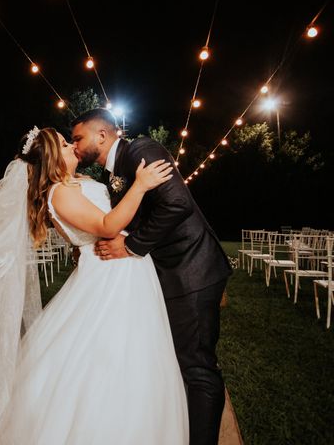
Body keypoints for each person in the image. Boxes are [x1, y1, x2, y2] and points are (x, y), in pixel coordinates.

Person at [0, 126, 188, 444]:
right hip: (107, 273)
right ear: (54, 157)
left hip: (121, 268)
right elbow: (106, 225)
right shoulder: (60, 191)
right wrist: (141, 186)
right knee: (110, 353)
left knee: (134, 350)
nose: (72, 146)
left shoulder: (77, 183)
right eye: (64, 143)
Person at [71, 108, 233, 445]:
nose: (75, 145)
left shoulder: (142, 151)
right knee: (177, 361)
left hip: (191, 270)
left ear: (102, 135)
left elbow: (177, 204)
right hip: (171, 274)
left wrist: (131, 245)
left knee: (197, 368)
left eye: (78, 137)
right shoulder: (113, 172)